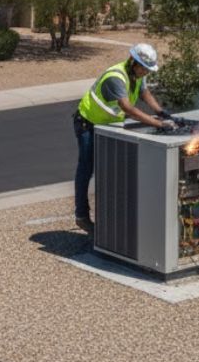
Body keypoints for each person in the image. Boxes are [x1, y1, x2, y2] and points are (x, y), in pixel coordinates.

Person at [73, 43, 173, 232]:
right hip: (87, 123)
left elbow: (145, 93)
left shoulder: (136, 75)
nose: (146, 73)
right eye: (144, 68)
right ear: (133, 62)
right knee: (86, 169)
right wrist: (158, 124)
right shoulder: (116, 78)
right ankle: (81, 215)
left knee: (111, 169)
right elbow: (128, 109)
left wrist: (161, 111)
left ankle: (111, 216)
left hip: (108, 125)